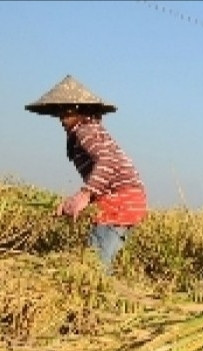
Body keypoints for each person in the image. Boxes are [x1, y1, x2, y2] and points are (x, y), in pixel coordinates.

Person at [25, 75, 148, 274]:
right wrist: (73, 202)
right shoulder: (90, 130)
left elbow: (106, 161)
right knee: (100, 263)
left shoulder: (85, 131)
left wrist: (84, 194)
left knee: (94, 267)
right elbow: (105, 173)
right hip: (127, 200)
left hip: (119, 202)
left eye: (66, 111)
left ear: (80, 110)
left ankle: (100, 300)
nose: (61, 118)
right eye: (59, 111)